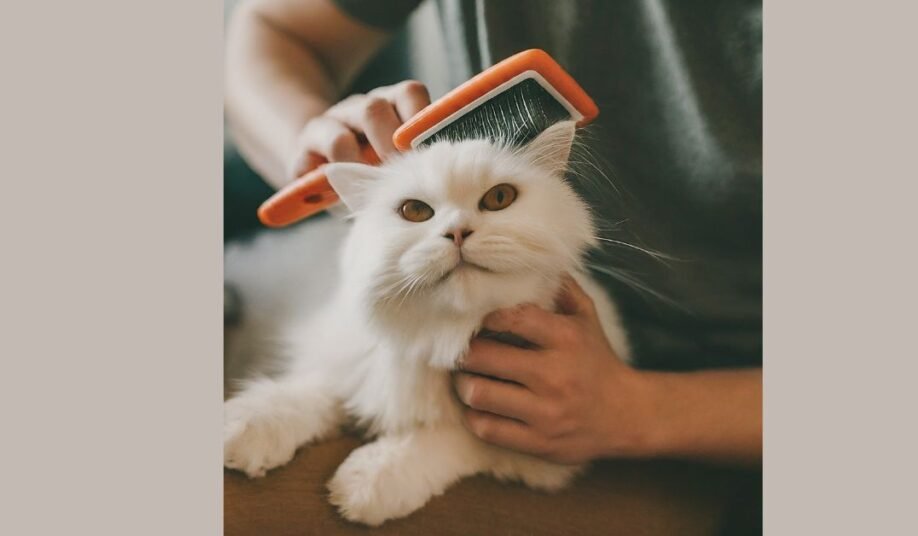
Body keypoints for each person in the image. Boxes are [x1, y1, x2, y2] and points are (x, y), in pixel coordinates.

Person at [226, 0, 762, 467]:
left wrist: (637, 411)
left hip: (716, 426)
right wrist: (310, 142)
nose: (455, 229)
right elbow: (273, 28)